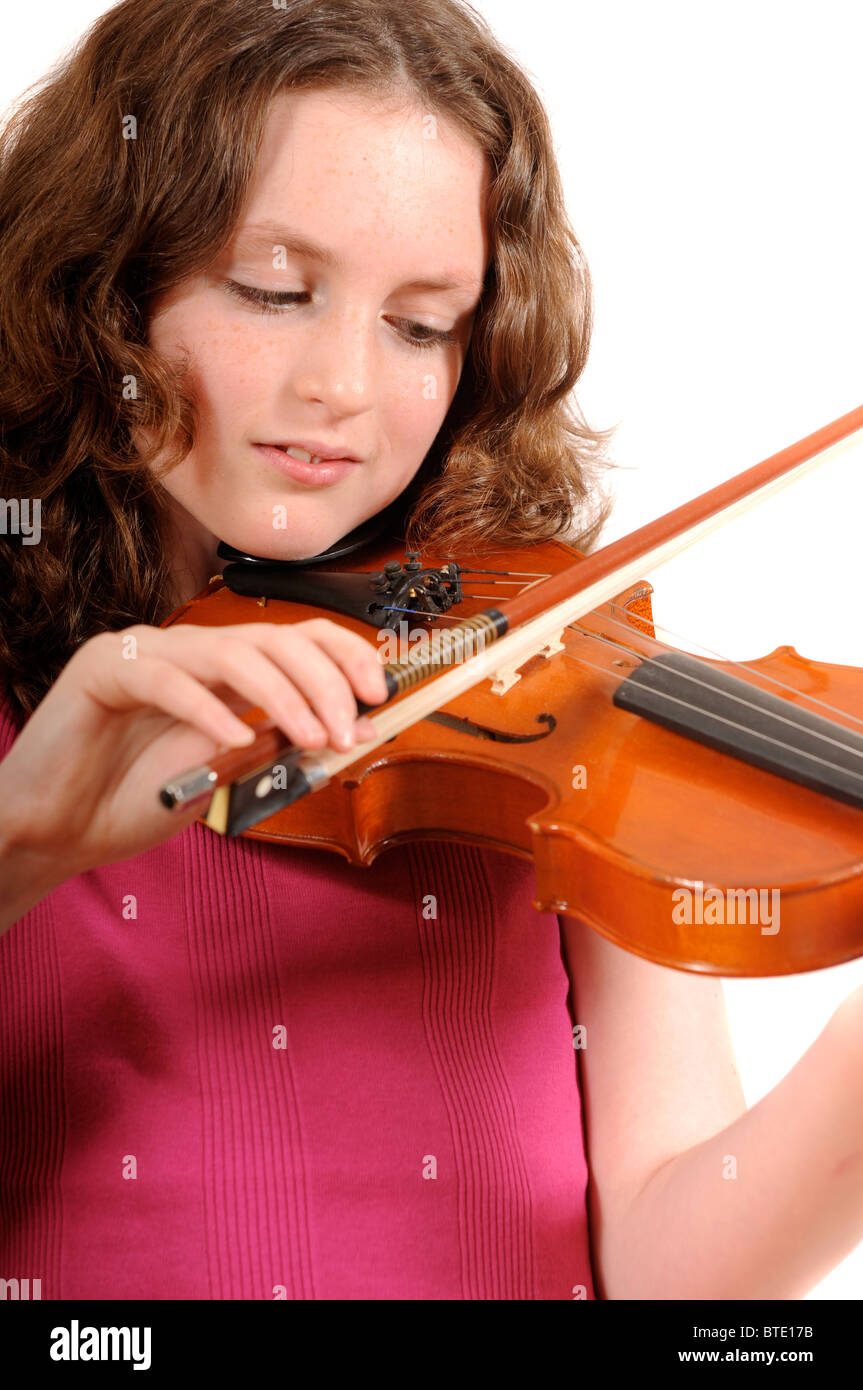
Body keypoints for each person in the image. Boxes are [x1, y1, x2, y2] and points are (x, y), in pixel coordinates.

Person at [1, 0, 861, 1302]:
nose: (344, 384)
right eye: (275, 290)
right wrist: (26, 846)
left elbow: (678, 1272)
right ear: (104, 286)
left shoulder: (561, 691)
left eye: (421, 325)